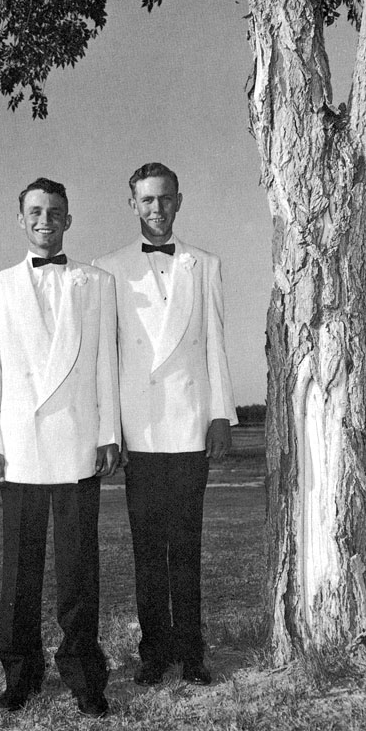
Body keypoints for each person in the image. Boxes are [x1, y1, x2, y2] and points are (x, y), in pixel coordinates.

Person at [0, 177, 120, 718]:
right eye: (35, 212)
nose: (45, 221)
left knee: (79, 570)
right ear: (21, 219)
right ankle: (20, 673)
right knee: (20, 571)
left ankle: (84, 674)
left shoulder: (97, 283)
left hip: (78, 443)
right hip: (20, 448)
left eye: (54, 212)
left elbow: (105, 363)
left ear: (68, 219)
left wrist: (109, 434)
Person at [94, 162, 238, 687]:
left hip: (189, 423)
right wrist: (110, 431)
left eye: (165, 198)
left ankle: (192, 651)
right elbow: (106, 359)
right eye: (147, 200)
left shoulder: (205, 264)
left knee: (187, 545)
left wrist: (221, 414)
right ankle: (154, 651)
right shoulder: (108, 269)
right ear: (132, 204)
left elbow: (215, 343)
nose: (157, 208)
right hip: (141, 431)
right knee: (148, 549)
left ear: (179, 201)